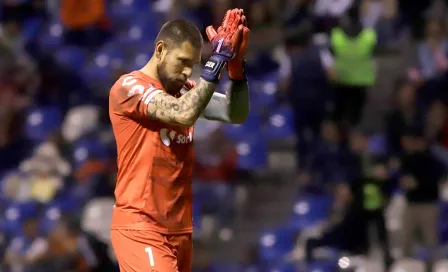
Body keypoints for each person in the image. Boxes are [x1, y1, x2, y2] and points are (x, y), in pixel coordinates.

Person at [108, 9, 250, 272]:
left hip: (180, 230)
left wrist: (235, 68)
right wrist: (216, 61)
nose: (187, 72)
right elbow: (183, 114)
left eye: (193, 65)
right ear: (160, 49)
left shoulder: (187, 91)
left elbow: (235, 112)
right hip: (142, 226)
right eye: (182, 61)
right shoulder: (129, 88)